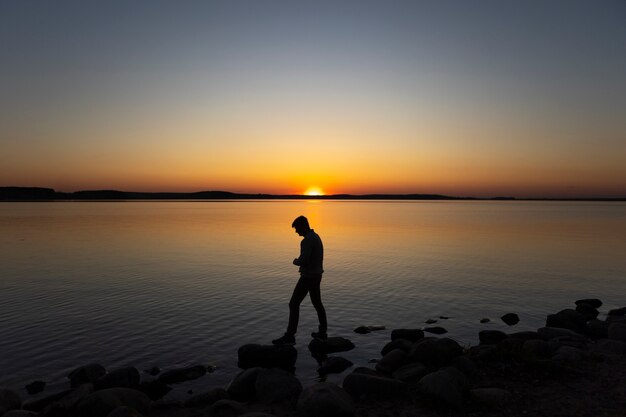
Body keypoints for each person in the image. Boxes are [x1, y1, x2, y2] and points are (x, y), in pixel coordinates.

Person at [272, 215, 328, 345]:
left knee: (293, 304)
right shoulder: (316, 236)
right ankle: (323, 332)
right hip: (317, 275)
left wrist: (295, 261)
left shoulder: (307, 240)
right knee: (317, 304)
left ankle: (290, 336)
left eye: (296, 228)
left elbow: (304, 260)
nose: (296, 231)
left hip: (308, 277)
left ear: (303, 226)